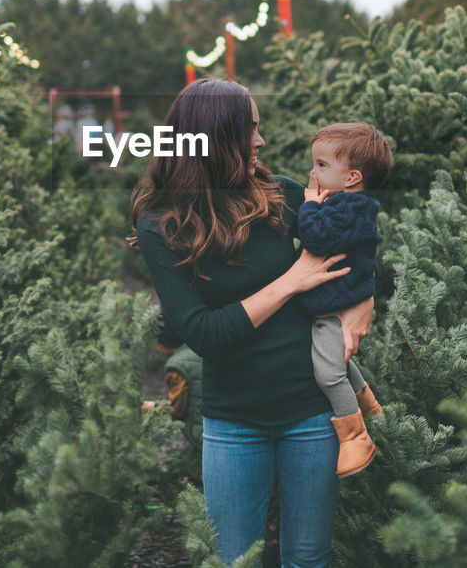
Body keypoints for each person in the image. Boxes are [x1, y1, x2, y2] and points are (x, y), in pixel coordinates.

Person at [130, 78, 373, 568]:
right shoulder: (161, 225)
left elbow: (357, 239)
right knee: (234, 559)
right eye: (250, 130)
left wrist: (360, 305)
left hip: (310, 409)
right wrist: (290, 281)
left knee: (308, 557)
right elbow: (203, 333)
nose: (261, 142)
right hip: (232, 421)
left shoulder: (283, 196)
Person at [295, 122, 392, 477]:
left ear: (351, 177)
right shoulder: (348, 203)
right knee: (334, 358)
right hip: (337, 300)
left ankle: (355, 438)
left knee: (328, 373)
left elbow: (317, 238)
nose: (312, 172)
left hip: (336, 306)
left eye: (321, 165)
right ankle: (367, 402)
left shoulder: (348, 208)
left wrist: (308, 206)